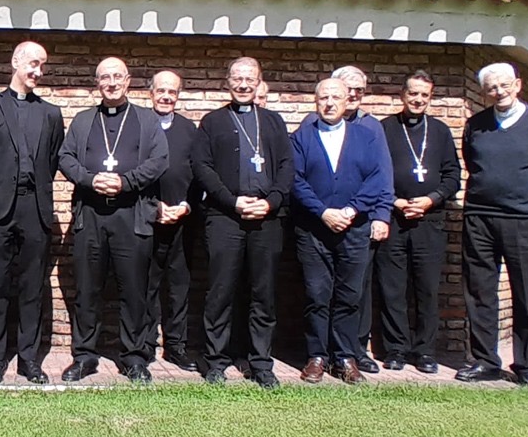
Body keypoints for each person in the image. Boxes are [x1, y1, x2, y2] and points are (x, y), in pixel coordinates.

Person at [58, 57, 169, 383]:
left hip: (131, 215)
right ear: (97, 82)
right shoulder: (82, 120)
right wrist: (90, 179)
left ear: (128, 80)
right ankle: (84, 356)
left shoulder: (147, 121)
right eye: (104, 77)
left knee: (133, 290)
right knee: (88, 290)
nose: (111, 82)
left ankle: (134, 358)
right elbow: (65, 157)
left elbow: (159, 160)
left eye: (117, 76)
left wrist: (126, 181)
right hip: (90, 214)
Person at [457, 62, 528, 388]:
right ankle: (486, 361)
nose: (499, 92)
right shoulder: (476, 125)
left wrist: (526, 199)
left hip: (524, 219)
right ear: (484, 92)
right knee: (480, 294)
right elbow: (473, 164)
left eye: (504, 85)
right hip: (479, 218)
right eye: (492, 88)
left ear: (517, 85)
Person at [193, 57, 293, 389]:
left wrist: (270, 202)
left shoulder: (274, 122)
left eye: (250, 78)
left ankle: (261, 362)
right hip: (225, 217)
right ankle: (216, 360)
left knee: (263, 293)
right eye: (237, 78)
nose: (243, 84)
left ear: (259, 81)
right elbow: (203, 168)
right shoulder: (212, 121)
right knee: (220, 290)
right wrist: (232, 201)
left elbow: (286, 167)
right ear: (228, 81)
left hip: (266, 218)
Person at [0, 41, 63, 384]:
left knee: (31, 287)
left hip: (34, 209)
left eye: (42, 66)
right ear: (15, 62)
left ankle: (29, 360)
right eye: (33, 64)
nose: (38, 72)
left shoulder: (51, 113)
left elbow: (51, 161)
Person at [290, 78, 392, 384]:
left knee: (349, 295)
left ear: (348, 100)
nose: (330, 103)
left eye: (336, 97)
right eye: (324, 98)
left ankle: (345, 356)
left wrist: (350, 210)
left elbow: (376, 178)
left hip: (354, 229)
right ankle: (317, 356)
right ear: (315, 101)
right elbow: (295, 180)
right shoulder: (302, 137)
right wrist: (323, 212)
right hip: (313, 229)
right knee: (317, 294)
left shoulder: (366, 137)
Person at [375, 71, 461, 373]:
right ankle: (396, 349)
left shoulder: (439, 131)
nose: (418, 99)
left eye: (424, 95)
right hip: (394, 219)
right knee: (393, 289)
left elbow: (453, 177)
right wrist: (396, 202)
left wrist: (430, 200)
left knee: (426, 289)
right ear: (403, 94)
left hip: (430, 221)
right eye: (413, 93)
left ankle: (425, 351)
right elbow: (375, 173)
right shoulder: (385, 128)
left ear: (430, 97)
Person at [145, 70, 200, 373]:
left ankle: (176, 346)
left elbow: (200, 173)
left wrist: (187, 206)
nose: (166, 97)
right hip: (147, 220)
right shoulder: (139, 125)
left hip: (182, 220)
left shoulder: (190, 130)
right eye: (161, 91)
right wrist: (154, 208)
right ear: (150, 92)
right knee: (147, 286)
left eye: (173, 92)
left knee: (179, 286)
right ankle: (146, 345)